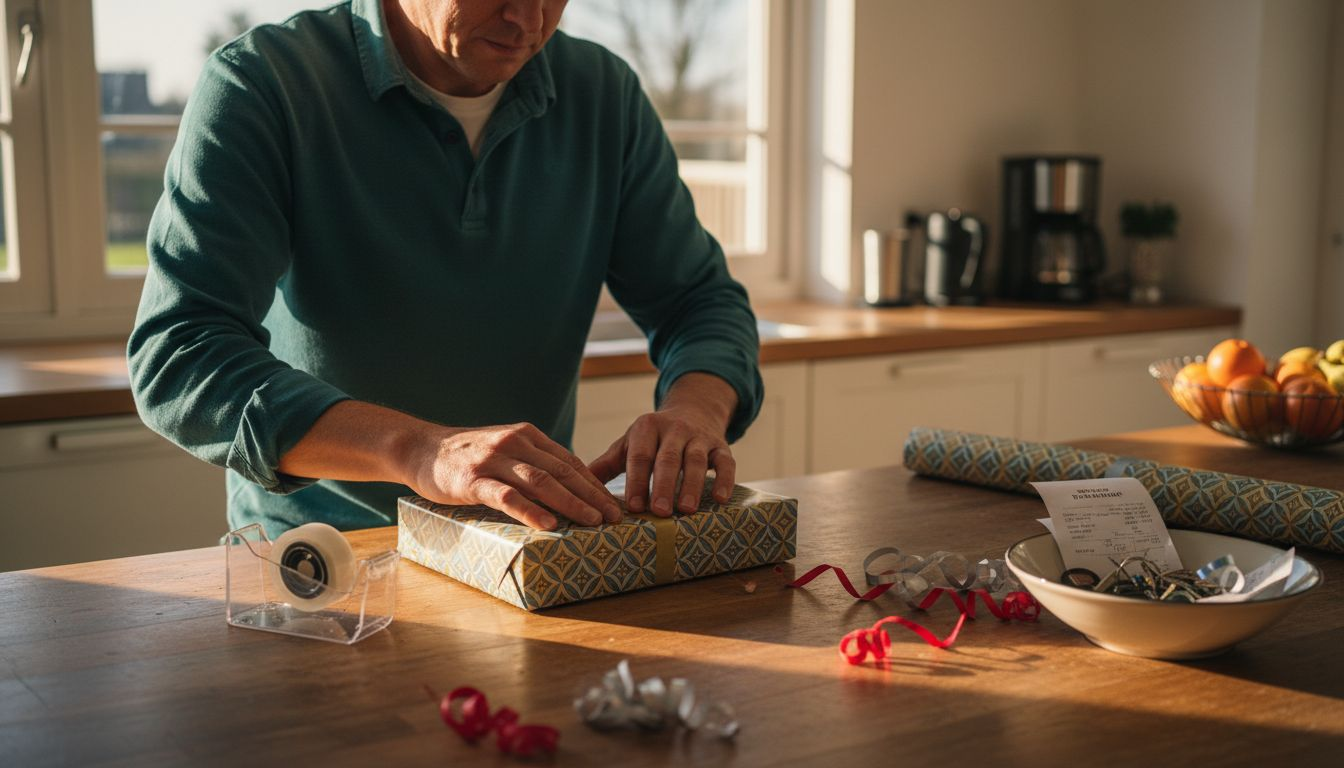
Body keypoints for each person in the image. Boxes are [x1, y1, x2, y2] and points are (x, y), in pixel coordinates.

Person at [127, 0, 763, 538]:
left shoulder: (605, 96)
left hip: (525, 548)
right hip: (324, 556)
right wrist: (420, 451)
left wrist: (696, 412)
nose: (529, 21)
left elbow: (699, 302)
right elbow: (180, 353)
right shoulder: (265, 82)